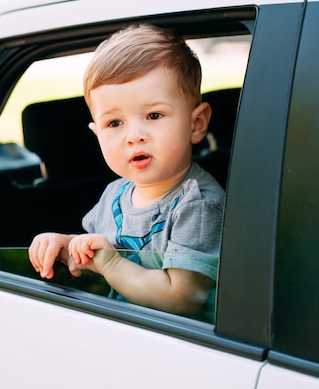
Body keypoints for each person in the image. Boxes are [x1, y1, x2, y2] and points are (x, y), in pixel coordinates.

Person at [28, 24, 225, 319]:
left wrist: (111, 265)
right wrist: (66, 245)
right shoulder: (117, 192)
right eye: (115, 123)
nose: (134, 136)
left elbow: (181, 298)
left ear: (196, 124)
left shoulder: (196, 204)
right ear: (97, 134)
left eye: (154, 115)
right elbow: (97, 253)